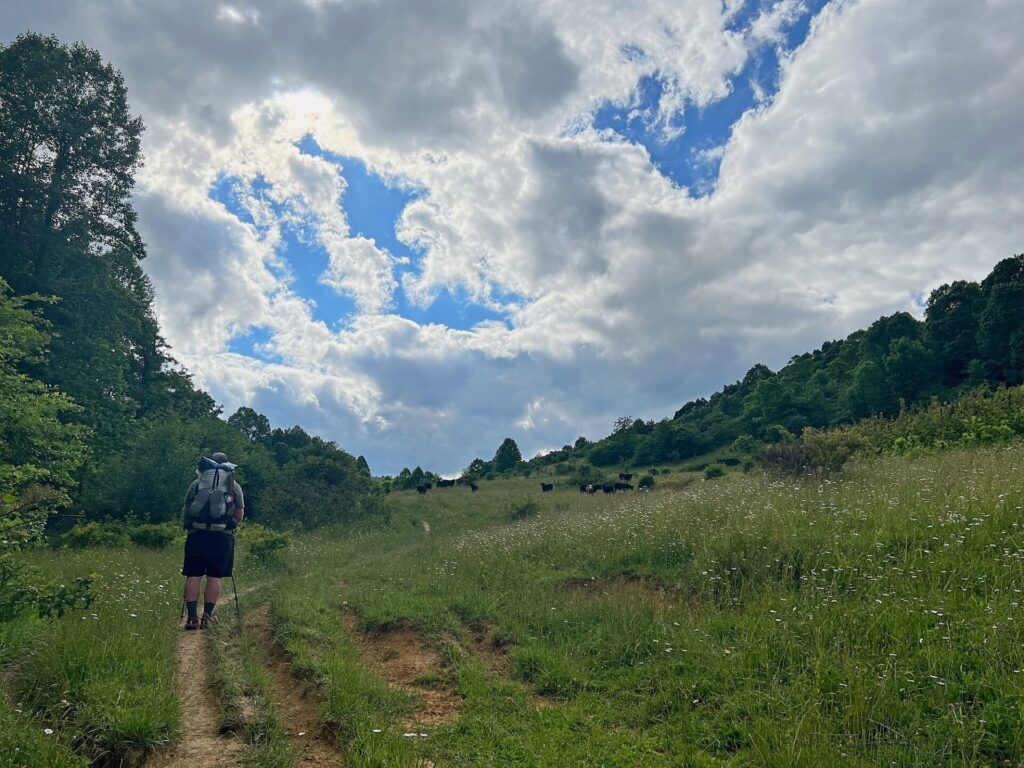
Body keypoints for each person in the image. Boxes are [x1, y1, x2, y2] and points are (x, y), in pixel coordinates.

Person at [181, 451, 244, 629]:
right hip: (222, 537)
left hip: (197, 535)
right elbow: (239, 514)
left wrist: (189, 527)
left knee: (193, 576)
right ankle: (207, 618)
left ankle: (192, 618)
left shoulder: (196, 484)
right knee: (214, 577)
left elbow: (186, 509)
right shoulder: (234, 486)